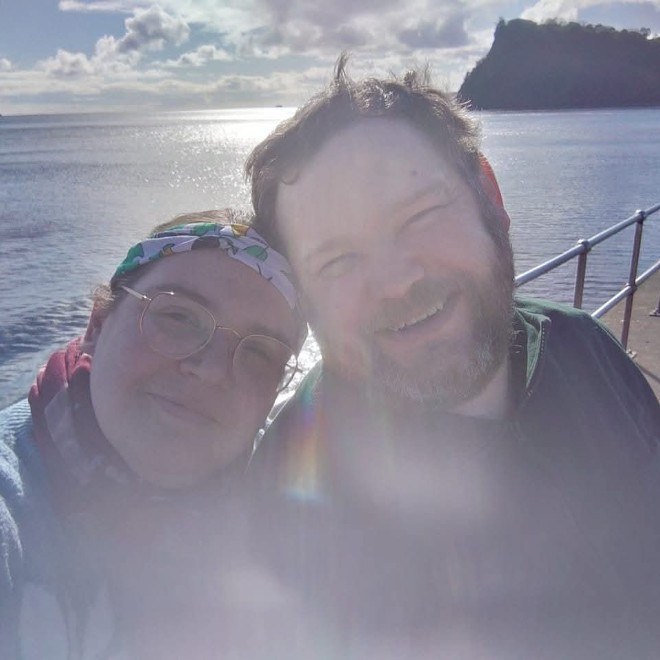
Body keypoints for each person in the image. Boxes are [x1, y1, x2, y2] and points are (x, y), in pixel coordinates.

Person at [243, 58, 660, 657]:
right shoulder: (292, 487)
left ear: (488, 193)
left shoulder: (583, 344)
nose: (395, 280)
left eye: (420, 215)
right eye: (336, 260)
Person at [0, 210, 306, 658]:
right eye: (179, 317)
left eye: (259, 354)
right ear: (97, 326)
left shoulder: (287, 507)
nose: (210, 370)